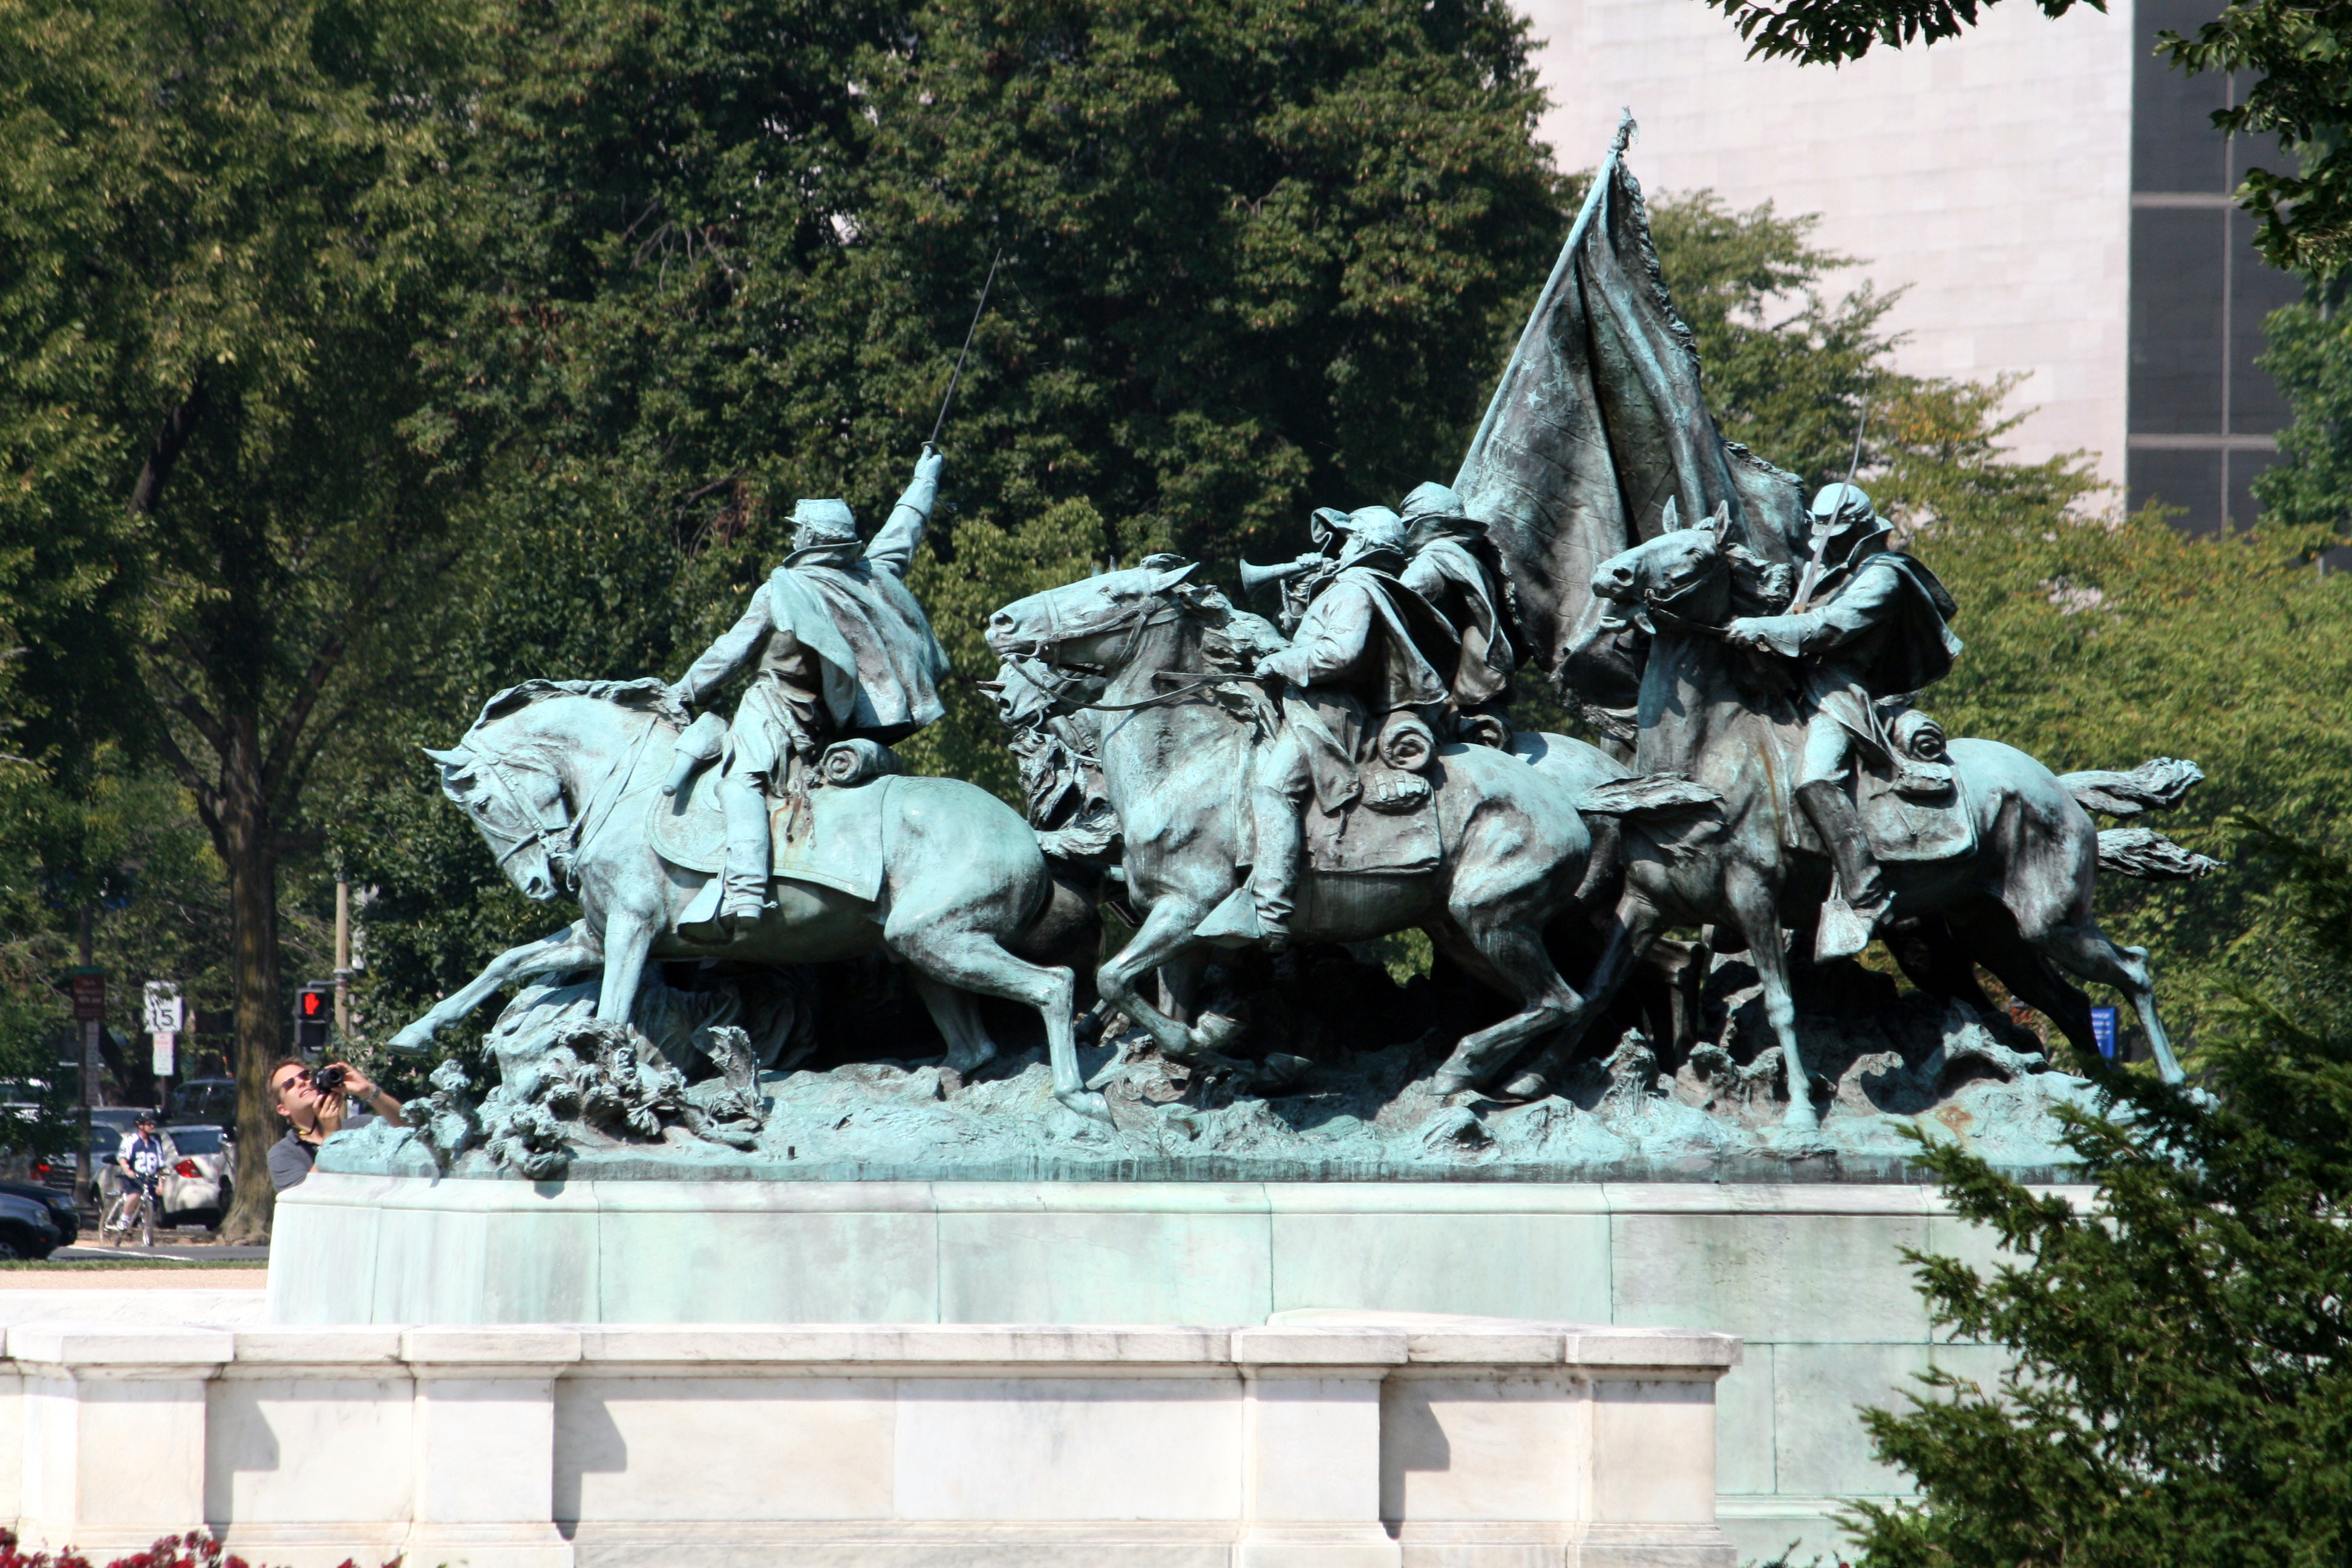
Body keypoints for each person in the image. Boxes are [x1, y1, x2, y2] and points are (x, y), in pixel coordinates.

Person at [670, 446, 953, 937]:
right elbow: (902, 534)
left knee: (739, 782)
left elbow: (728, 653)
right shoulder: (870, 578)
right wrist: (924, 480)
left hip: (774, 713)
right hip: (830, 729)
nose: (792, 536)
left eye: (796, 529)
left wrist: (683, 692)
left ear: (808, 539)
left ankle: (745, 891)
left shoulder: (784, 589)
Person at [1722, 482, 1962, 959]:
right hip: (1792, 687)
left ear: (1859, 532)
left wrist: (1765, 628)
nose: (1825, 545)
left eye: (1835, 536)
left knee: (1814, 779)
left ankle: (1866, 894)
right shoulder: (1829, 571)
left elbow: (1833, 625)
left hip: (1840, 692)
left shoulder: (1885, 576)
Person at [1243, 506, 1461, 949]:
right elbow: (1317, 640)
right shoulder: (1357, 587)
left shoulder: (1354, 588)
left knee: (1272, 789)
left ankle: (1270, 913)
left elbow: (1341, 654)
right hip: (1316, 704)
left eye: (1343, 540)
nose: (1336, 550)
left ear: (1360, 542)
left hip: (1326, 713)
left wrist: (1280, 662)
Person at [1395, 480, 1517, 713]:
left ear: (1420, 525)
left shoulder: (1432, 559)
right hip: (1456, 676)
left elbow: (1395, 602)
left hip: (1435, 686)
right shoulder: (1471, 559)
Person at [267, 1059, 404, 1192]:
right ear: (283, 1109)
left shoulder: (361, 1125)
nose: (301, 1082)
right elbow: (303, 1197)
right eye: (289, 1084)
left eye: (305, 1075)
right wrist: (332, 1137)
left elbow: (407, 1128)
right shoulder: (283, 1153)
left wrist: (369, 1091)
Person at [113, 1111, 176, 1232]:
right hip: (134, 1177)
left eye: (153, 1124)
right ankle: (124, 1218)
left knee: (153, 1200)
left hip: (150, 1177)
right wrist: (127, 1170)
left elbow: (161, 1165)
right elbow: (122, 1157)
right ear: (141, 1126)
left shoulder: (155, 1142)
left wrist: (161, 1184)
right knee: (135, 1194)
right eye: (149, 1124)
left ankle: (147, 1228)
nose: (152, 1126)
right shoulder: (131, 1140)